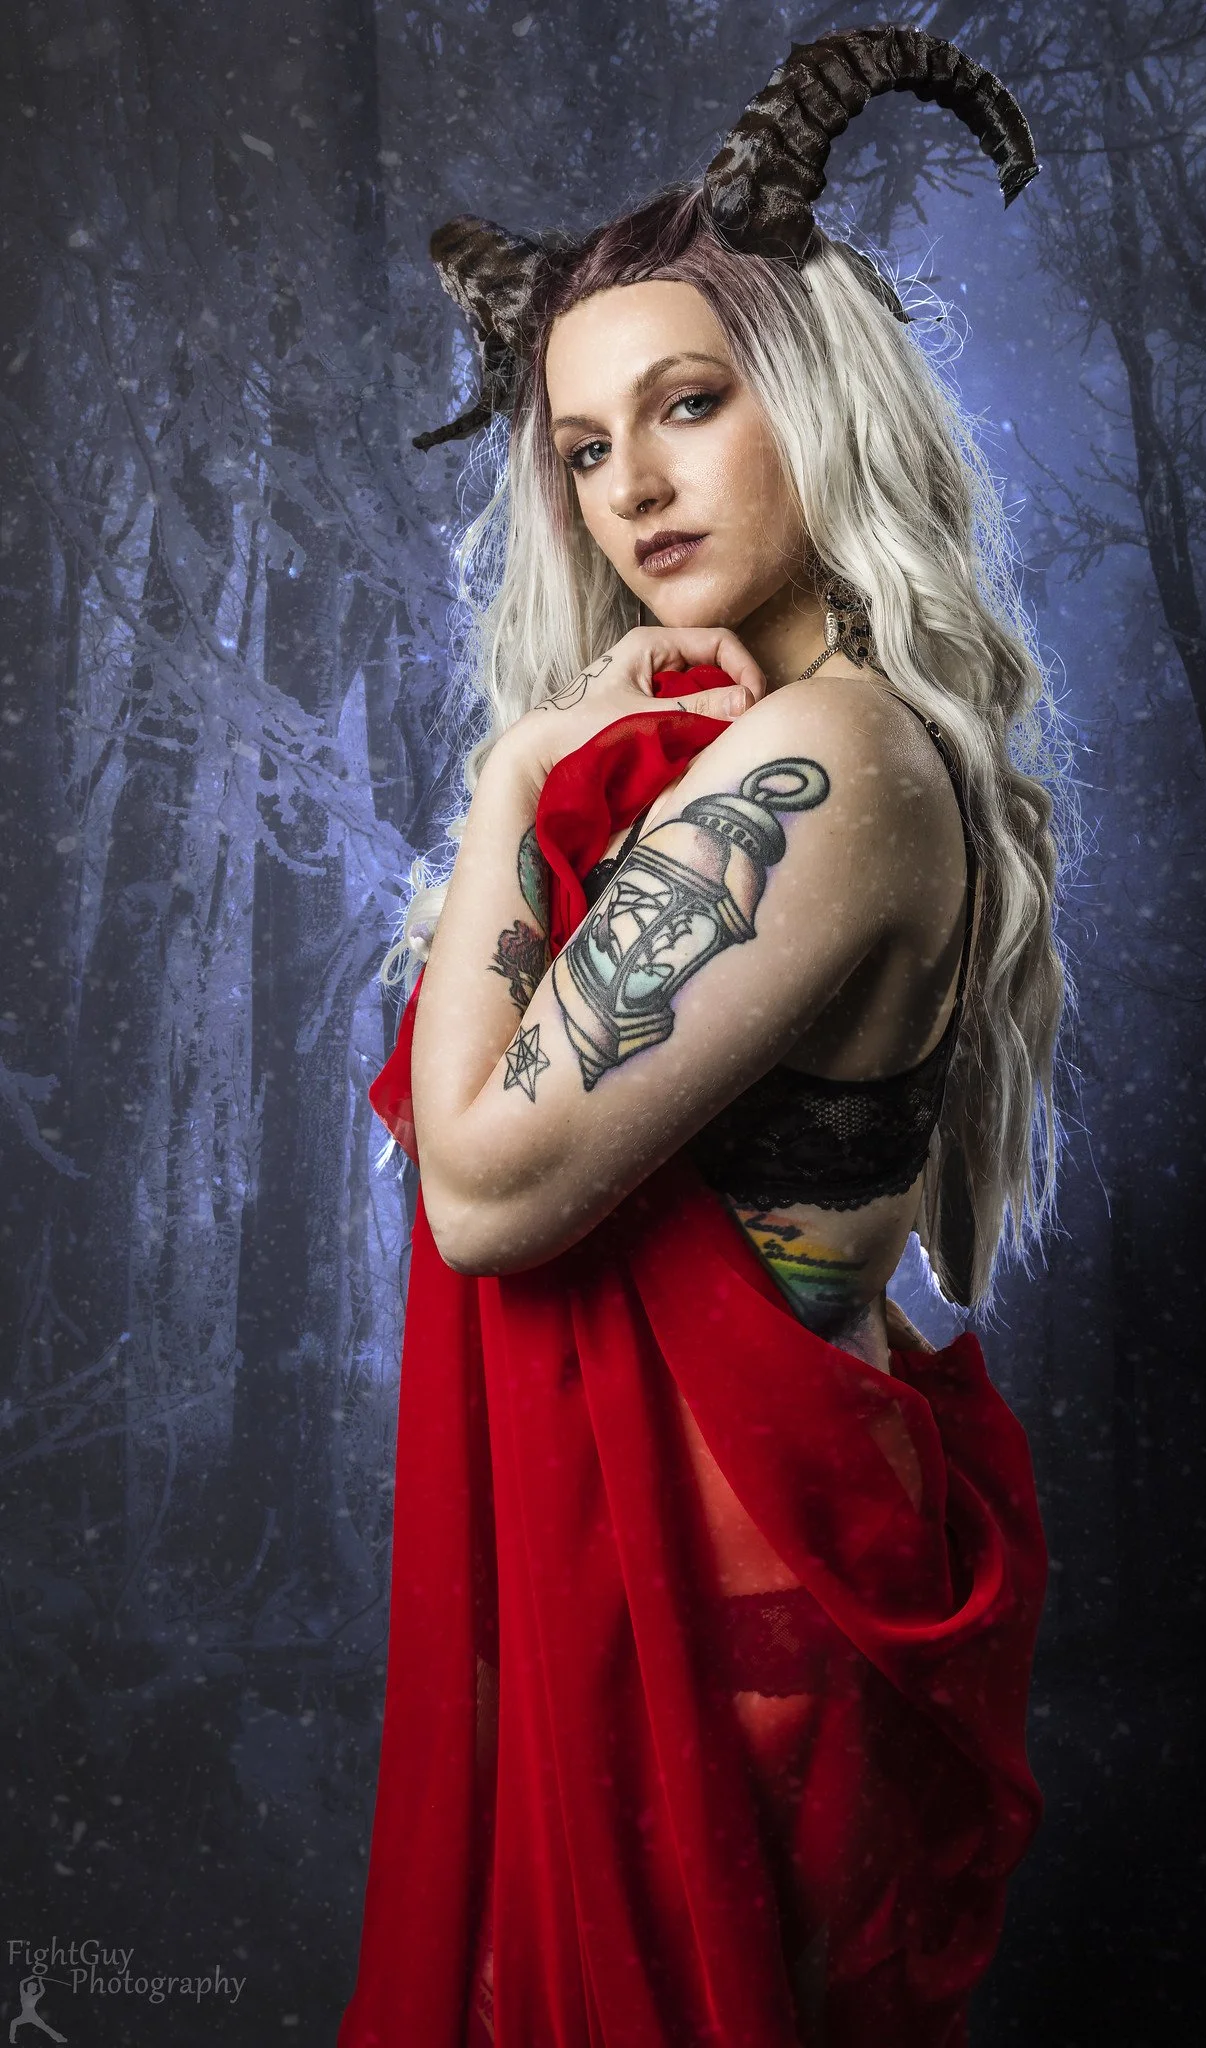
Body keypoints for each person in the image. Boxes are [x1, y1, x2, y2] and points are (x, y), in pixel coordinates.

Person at [339, 25, 1070, 2048]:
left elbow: (487, 1191)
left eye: (687, 403)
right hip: (649, 1632)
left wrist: (508, 795)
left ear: (811, 407)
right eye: (580, 442)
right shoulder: (749, 752)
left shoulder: (827, 763)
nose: (631, 484)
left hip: (731, 1667)